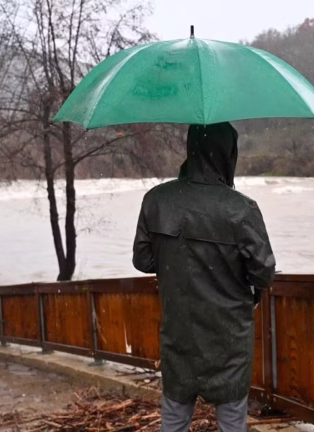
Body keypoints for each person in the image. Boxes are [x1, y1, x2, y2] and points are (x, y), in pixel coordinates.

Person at [132, 122, 276, 432]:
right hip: (229, 334)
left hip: (179, 329)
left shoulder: (156, 200)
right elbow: (263, 272)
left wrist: (177, 259)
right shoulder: (242, 210)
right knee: (232, 421)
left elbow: (143, 260)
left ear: (191, 148)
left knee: (174, 416)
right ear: (228, 154)